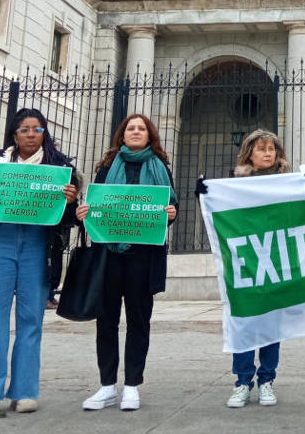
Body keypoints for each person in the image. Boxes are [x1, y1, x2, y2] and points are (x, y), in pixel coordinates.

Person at [0, 108, 79, 417]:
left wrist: (71, 201)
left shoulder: (60, 167)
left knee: (31, 321)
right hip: (0, 243)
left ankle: (24, 391)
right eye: (25, 129)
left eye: (38, 129)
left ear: (45, 134)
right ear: (14, 134)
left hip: (38, 247)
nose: (31, 134)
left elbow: (70, 220)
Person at [75, 114, 178, 412]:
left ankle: (132, 385)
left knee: (138, 322)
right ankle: (107, 385)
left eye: (141, 128)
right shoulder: (107, 166)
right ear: (122, 135)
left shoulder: (161, 168)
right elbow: (96, 205)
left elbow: (172, 208)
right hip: (109, 256)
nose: (135, 132)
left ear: (150, 135)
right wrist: (84, 214)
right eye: (130, 128)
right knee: (105, 322)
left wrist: (172, 213)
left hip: (143, 258)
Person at [225, 129, 290, 408]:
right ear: (249, 152)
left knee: (271, 326)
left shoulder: (289, 183)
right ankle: (242, 381)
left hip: (275, 259)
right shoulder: (236, 184)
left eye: (271, 149)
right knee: (244, 324)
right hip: (246, 261)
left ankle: (267, 380)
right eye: (261, 148)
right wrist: (205, 194)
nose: (267, 153)